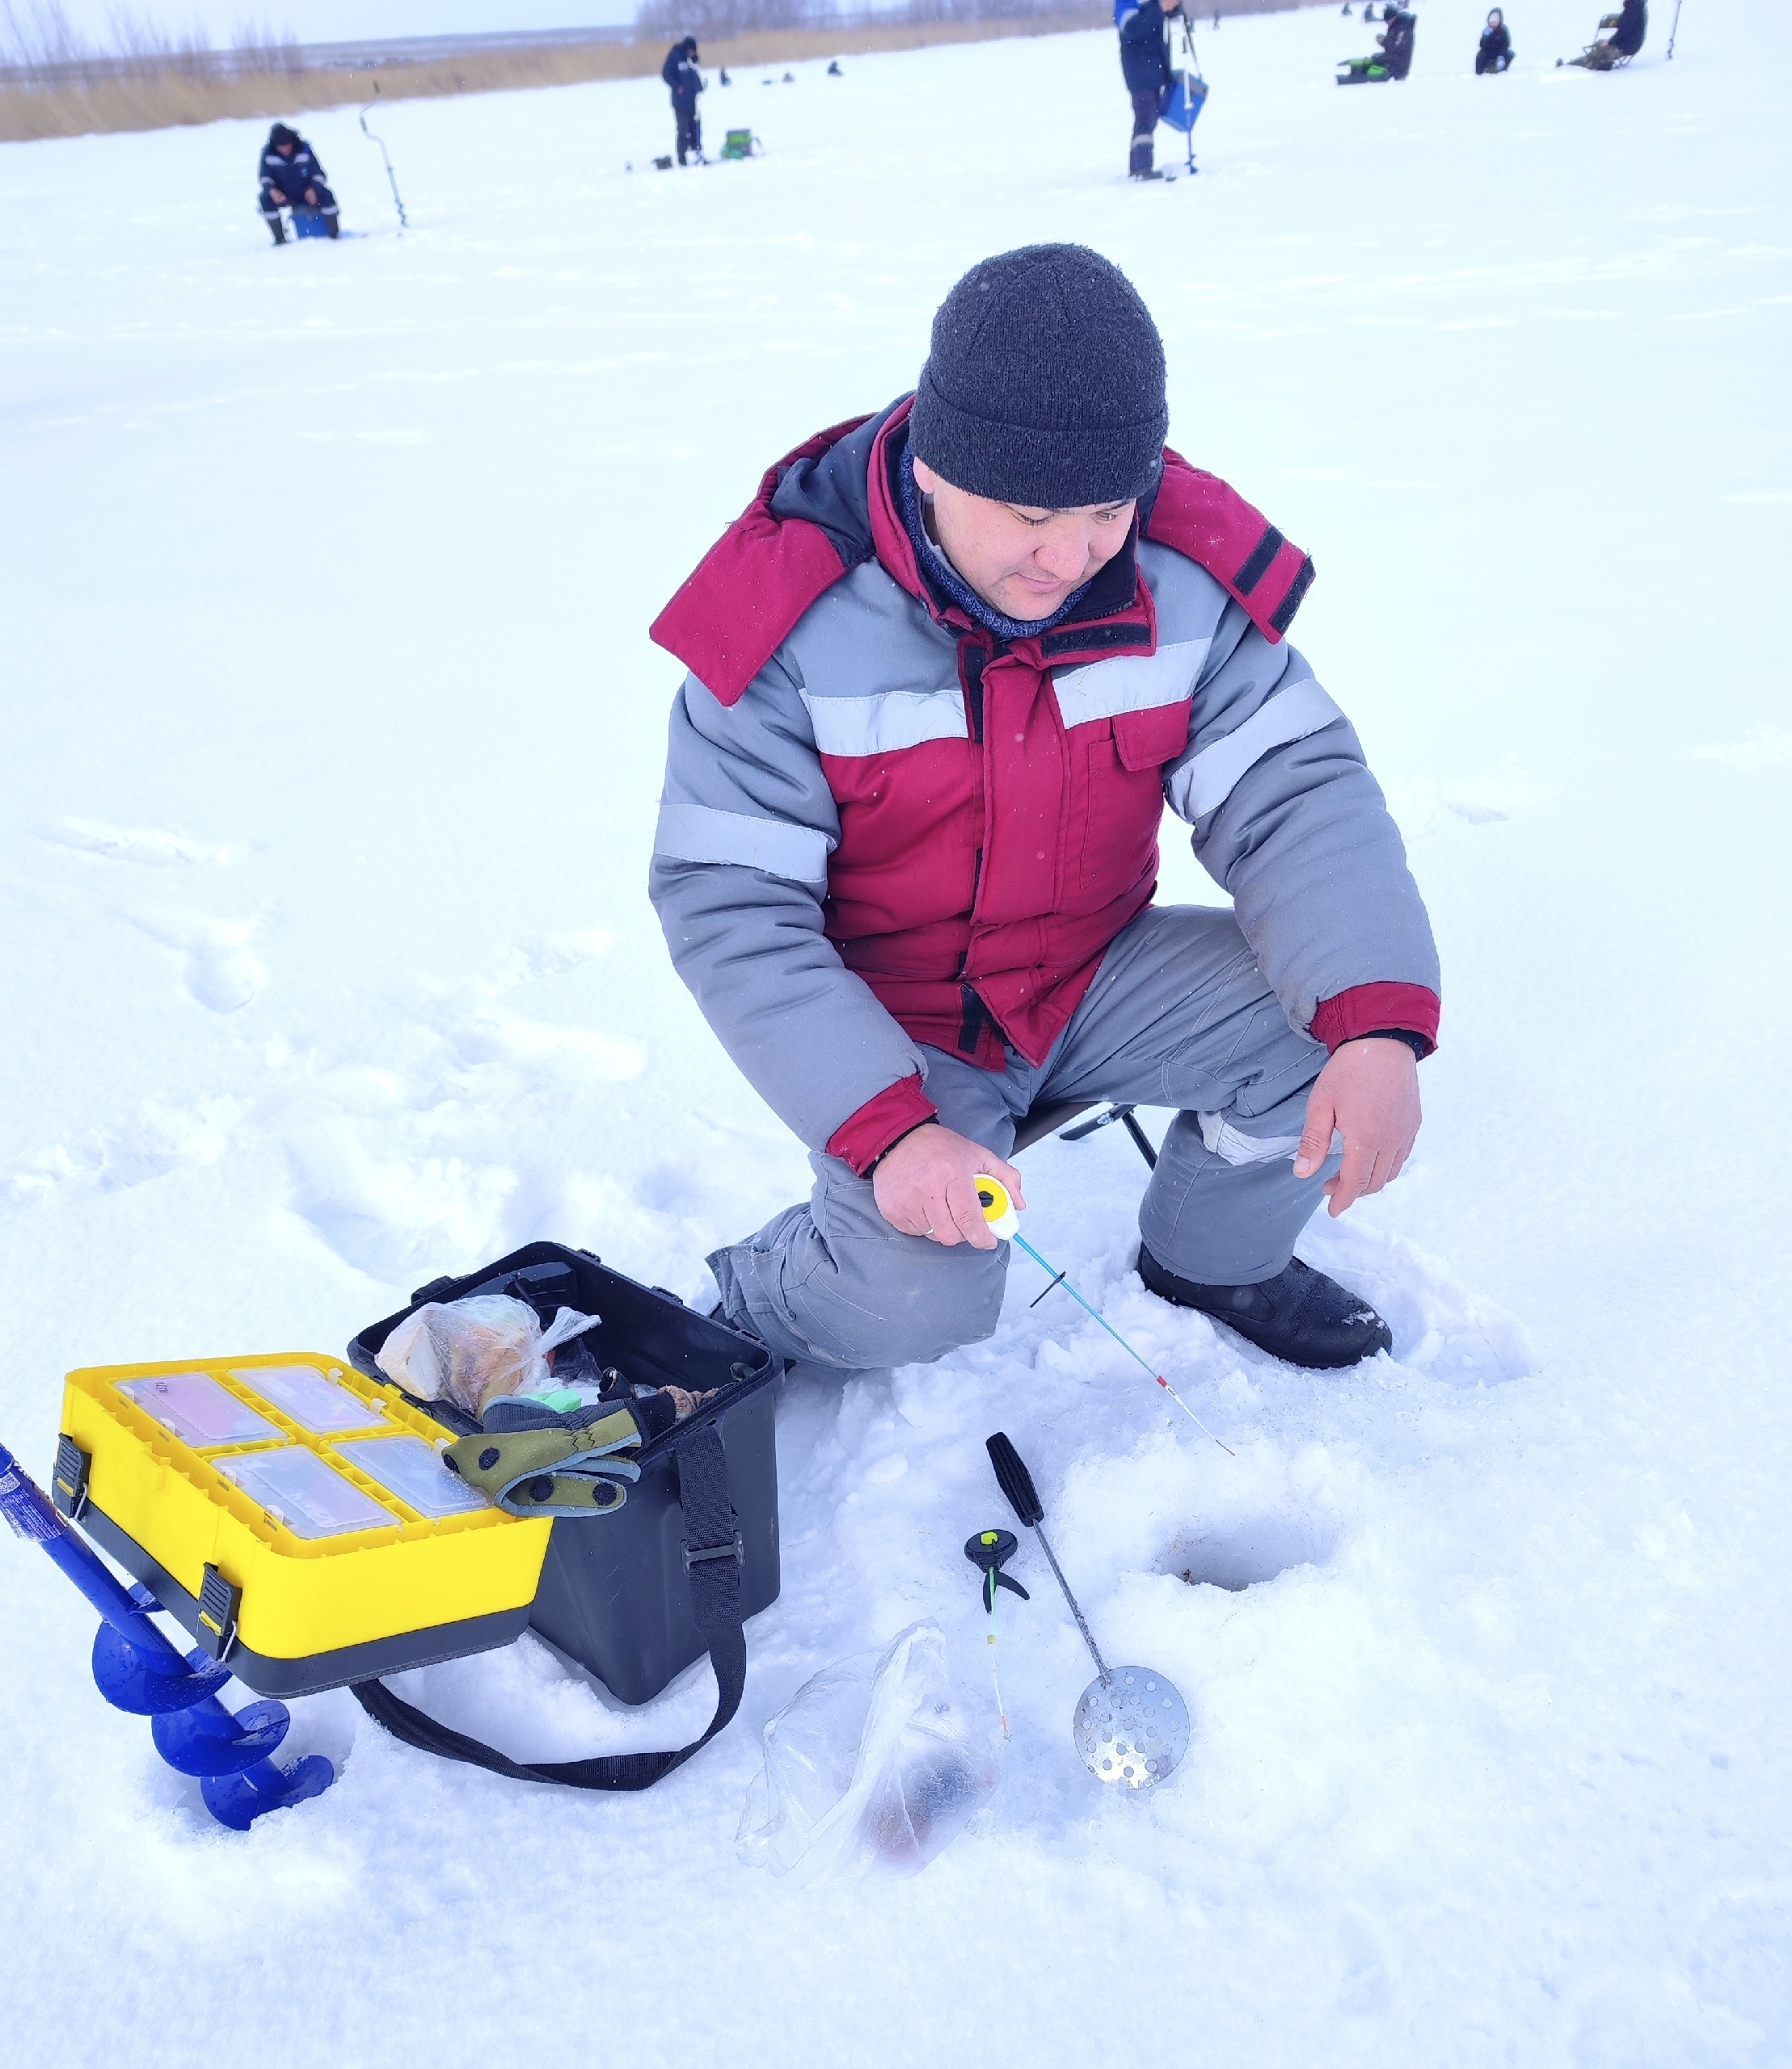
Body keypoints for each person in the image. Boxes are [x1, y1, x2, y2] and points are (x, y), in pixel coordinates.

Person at [647, 245, 1441, 1380]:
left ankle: (1213, 1261)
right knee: (908, 1306)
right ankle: (767, 1290)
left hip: (1090, 972)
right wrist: (889, 1130)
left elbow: (1292, 793)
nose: (1070, 558)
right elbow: (733, 908)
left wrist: (1374, 1027)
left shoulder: (1179, 577)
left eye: (1109, 509)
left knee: (1332, 1030)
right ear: (934, 468)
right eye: (1030, 514)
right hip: (902, 1026)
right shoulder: (789, 621)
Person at [1119, 0, 1183, 181]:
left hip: (1154, 67)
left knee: (1149, 117)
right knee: (1145, 117)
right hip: (1139, 70)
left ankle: (1137, 166)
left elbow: (1168, 14)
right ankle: (1143, 167)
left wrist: (1173, 6)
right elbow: (1133, 29)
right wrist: (1160, 8)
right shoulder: (1125, 4)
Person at [258, 123, 339, 244]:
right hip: (284, 194)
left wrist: (314, 188)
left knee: (327, 194)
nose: (285, 149)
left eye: (287, 145)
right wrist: (272, 190)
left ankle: (334, 235)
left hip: (307, 192)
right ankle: (280, 239)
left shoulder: (305, 149)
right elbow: (264, 177)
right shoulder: (267, 153)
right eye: (281, 147)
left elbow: (319, 174)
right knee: (264, 198)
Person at [662, 35, 706, 165]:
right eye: (693, 51)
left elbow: (694, 72)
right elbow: (666, 74)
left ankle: (697, 156)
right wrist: (677, 86)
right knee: (683, 129)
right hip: (680, 101)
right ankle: (682, 159)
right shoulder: (675, 56)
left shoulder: (689, 59)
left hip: (692, 99)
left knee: (694, 128)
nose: (694, 53)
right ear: (688, 49)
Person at [1568, 0, 1645, 69]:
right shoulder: (1636, 5)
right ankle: (1574, 64)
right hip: (1629, 43)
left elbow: (1624, 31)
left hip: (1627, 46)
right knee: (1599, 45)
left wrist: (1610, 42)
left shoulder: (1634, 6)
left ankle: (1573, 67)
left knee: (1598, 51)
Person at [1377, 2, 1416, 79]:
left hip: (1398, 67)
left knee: (1374, 63)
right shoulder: (1396, 26)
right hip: (1393, 61)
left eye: (1388, 21)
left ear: (1394, 17)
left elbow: (1398, 48)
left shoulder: (1403, 28)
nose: (1387, 23)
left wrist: (1383, 42)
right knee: (1374, 58)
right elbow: (1393, 42)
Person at [1477, 8, 1513, 72]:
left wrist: (1501, 56)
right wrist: (1485, 37)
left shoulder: (1503, 30)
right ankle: (1480, 73)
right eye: (1491, 22)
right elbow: (1482, 46)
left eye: (1495, 22)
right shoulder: (1487, 31)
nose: (1493, 24)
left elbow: (1505, 45)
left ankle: (1502, 71)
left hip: (1500, 53)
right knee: (1481, 55)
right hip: (1489, 53)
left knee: (1509, 54)